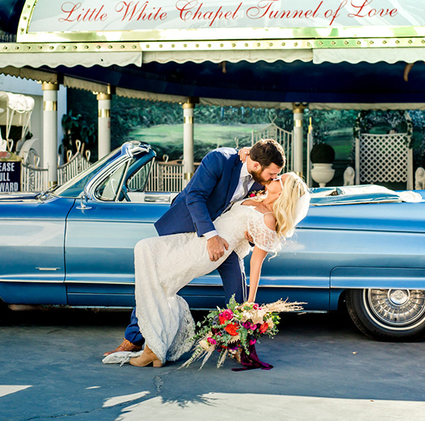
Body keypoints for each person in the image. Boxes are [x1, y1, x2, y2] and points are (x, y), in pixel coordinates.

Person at [104, 139, 286, 356]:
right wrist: (210, 236)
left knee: (237, 281)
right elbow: (195, 196)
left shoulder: (261, 175)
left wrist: (251, 232)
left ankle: (239, 344)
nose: (274, 178)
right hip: (188, 223)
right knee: (160, 279)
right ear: (256, 165)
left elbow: (262, 205)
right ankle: (133, 338)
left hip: (226, 234)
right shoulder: (219, 160)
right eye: (272, 174)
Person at [129, 172, 310, 367]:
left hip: (208, 252)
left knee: (158, 279)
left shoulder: (268, 219)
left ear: (285, 192)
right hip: (199, 238)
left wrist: (250, 303)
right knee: (147, 253)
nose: (274, 178)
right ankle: (154, 348)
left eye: (279, 180)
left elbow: (256, 263)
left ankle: (152, 350)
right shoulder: (256, 197)